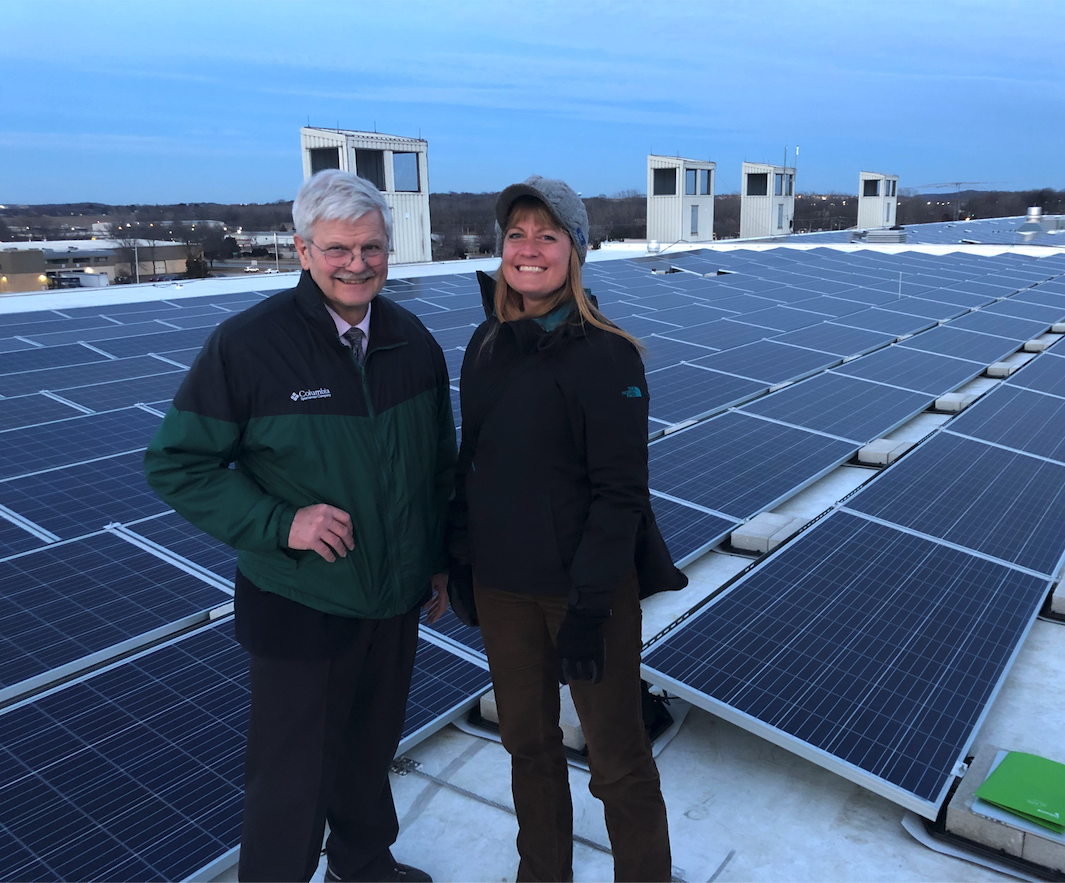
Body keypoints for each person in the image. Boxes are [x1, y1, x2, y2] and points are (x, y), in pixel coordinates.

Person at [144, 169, 456, 883]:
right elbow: (176, 464)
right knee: (291, 776)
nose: (357, 264)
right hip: (300, 601)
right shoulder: (250, 346)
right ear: (303, 250)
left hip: (393, 599)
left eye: (371, 247)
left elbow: (439, 464)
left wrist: (436, 558)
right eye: (339, 249)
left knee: (368, 752)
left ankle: (364, 863)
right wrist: (279, 522)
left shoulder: (412, 342)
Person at [448, 176, 686, 882]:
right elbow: (474, 462)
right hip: (502, 588)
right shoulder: (487, 341)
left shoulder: (605, 355)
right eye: (516, 234)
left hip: (584, 594)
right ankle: (540, 872)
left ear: (575, 251)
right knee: (527, 743)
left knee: (615, 757)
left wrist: (587, 608)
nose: (527, 249)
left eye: (547, 235)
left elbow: (620, 495)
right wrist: (461, 559)